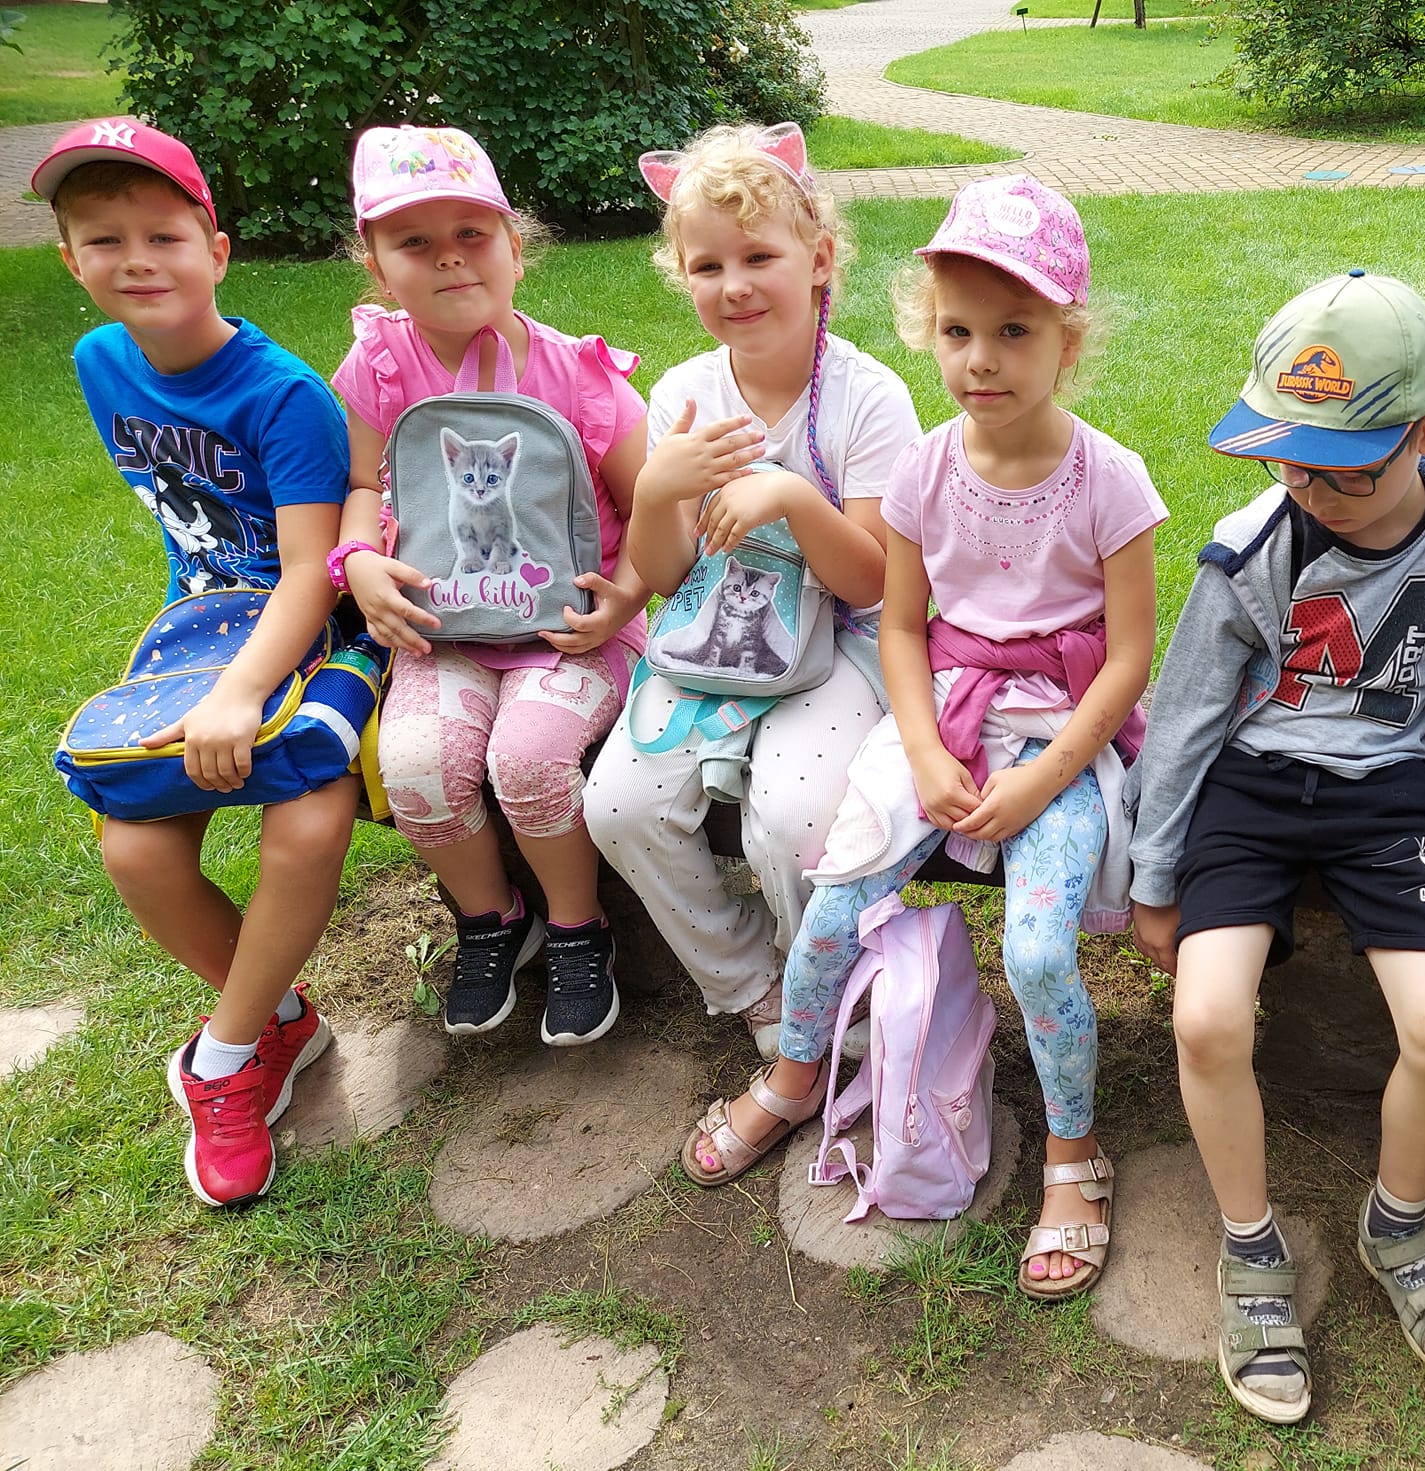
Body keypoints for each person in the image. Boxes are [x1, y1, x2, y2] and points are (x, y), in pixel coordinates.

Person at [682, 175, 1163, 1300]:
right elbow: (900, 627)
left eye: (1014, 332)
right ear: (928, 331)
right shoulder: (922, 471)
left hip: (1057, 735)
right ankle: (797, 1076)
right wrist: (929, 753)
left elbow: (1129, 657)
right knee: (831, 909)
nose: (980, 360)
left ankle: (1073, 1149)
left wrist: (1041, 781)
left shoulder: (1110, 479)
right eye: (956, 332)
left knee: (1038, 952)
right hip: (939, 720)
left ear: (1069, 340)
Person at [1129, 271, 1425, 1419]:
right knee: (1205, 1017)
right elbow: (1184, 718)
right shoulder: (1250, 548)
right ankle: (1248, 1245)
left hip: (1392, 796)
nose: (1310, 491)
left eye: (1343, 468)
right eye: (1288, 461)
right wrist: (1155, 877)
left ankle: (1396, 1224)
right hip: (1251, 788)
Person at [32, 119, 355, 1206]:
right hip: (201, 631)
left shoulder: (284, 396)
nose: (137, 261)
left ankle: (219, 1061)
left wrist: (243, 693)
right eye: (104, 240)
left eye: (163, 237)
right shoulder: (99, 362)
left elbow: (311, 572)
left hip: (312, 628)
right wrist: (208, 674)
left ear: (215, 252)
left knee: (308, 822)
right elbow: (182, 526)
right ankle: (278, 1022)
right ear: (70, 261)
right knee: (135, 849)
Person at [584, 122, 920, 1058]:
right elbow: (667, 576)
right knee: (618, 806)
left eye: (759, 257)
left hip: (840, 642)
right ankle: (749, 982)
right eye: (707, 266)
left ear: (820, 261)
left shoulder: (867, 398)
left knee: (794, 822)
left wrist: (794, 499)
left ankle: (830, 980)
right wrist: (659, 490)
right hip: (713, 635)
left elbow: (878, 581)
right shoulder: (686, 395)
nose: (733, 285)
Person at [331, 125, 649, 1045]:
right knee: (415, 764)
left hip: (569, 633)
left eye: (471, 233)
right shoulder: (379, 367)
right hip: (443, 631)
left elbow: (654, 508)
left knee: (530, 756)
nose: (449, 258)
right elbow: (361, 485)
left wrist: (625, 600)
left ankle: (579, 927)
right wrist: (359, 561)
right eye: (415, 242)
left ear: (516, 243)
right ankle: (492, 918)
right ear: (377, 265)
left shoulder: (580, 375)